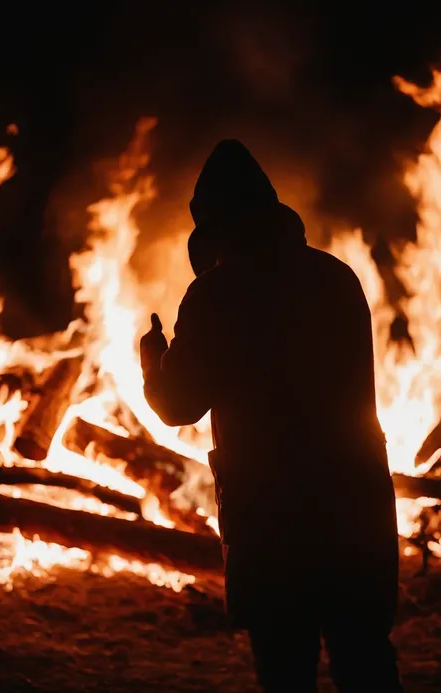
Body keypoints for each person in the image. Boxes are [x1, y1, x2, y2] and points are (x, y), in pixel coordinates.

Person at [140, 140, 402, 692]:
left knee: (286, 671)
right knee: (367, 662)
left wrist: (152, 358)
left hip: (272, 520)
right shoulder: (337, 277)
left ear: (212, 230)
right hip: (356, 507)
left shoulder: (216, 291)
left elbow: (178, 405)